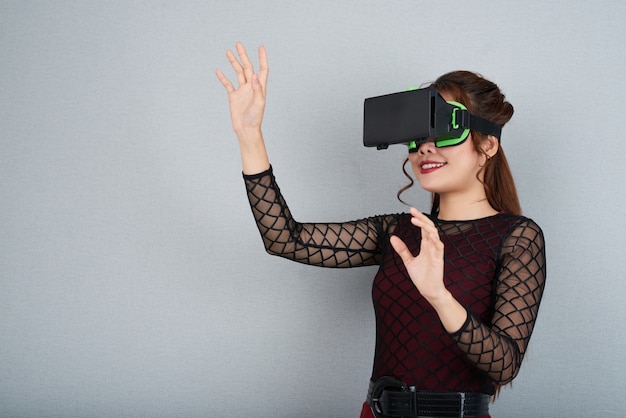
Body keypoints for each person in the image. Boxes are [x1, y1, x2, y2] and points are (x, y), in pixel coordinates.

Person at [216, 42, 546, 418]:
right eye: (417, 136)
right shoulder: (396, 232)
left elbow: (504, 364)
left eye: (443, 131)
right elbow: (283, 238)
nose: (425, 148)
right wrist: (249, 135)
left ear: (488, 143)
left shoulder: (517, 237)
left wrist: (439, 296)